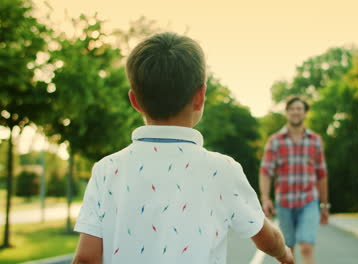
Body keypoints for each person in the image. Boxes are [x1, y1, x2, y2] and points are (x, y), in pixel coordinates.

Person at [72, 32, 294, 264]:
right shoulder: (222, 169)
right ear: (200, 96)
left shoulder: (106, 169)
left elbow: (86, 258)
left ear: (134, 101)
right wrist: (283, 253)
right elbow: (264, 236)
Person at [259, 96, 329, 264]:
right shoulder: (275, 140)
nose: (295, 111)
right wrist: (265, 198)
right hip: (284, 202)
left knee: (306, 246)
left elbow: (321, 174)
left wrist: (325, 205)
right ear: (287, 112)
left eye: (299, 108)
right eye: (292, 108)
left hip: (309, 200)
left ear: (305, 113)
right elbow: (266, 171)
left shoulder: (315, 140)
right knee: (287, 251)